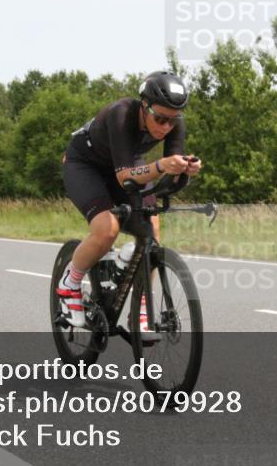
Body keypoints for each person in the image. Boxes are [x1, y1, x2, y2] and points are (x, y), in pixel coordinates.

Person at [57, 71, 203, 328]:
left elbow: (169, 175)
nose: (165, 127)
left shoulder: (173, 122)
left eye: (172, 120)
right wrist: (161, 165)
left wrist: (185, 170)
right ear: (144, 106)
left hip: (124, 163)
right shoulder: (122, 113)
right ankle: (70, 283)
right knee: (107, 229)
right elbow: (126, 176)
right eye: (160, 118)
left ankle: (142, 307)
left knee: (151, 228)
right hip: (85, 164)